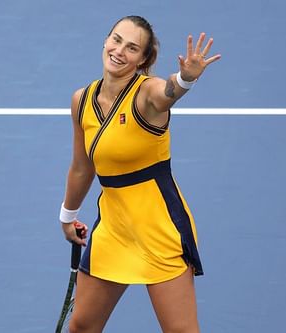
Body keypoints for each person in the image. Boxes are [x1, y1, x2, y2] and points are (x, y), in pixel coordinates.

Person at [59, 15, 221, 333]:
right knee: (81, 327)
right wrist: (68, 216)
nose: (120, 50)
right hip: (114, 228)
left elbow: (168, 92)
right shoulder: (82, 100)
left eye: (132, 48)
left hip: (157, 229)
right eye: (117, 40)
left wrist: (185, 79)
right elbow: (82, 166)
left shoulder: (146, 95)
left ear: (143, 59)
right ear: (106, 40)